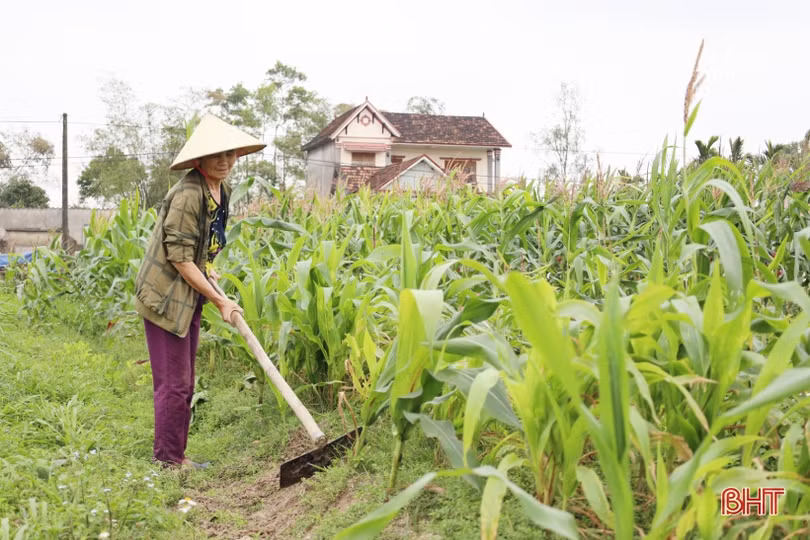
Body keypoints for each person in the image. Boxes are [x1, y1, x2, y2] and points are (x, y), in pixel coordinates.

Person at [134, 114, 265, 469]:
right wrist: (221, 300)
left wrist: (209, 269)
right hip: (165, 296)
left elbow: (200, 248)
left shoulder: (218, 192)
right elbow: (178, 256)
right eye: (216, 155)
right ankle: (168, 463)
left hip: (189, 293)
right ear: (199, 160)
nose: (225, 160)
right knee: (174, 384)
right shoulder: (188, 194)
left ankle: (174, 456)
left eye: (231, 153)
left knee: (185, 382)